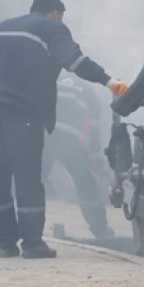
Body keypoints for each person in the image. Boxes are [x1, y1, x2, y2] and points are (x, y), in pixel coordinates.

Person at [0, 0, 127, 259]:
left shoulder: (0, 27)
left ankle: (6, 243)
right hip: (21, 108)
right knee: (28, 175)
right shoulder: (51, 28)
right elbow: (75, 61)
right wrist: (109, 81)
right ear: (55, 14)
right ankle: (32, 243)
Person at [43, 76, 113, 241]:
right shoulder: (87, 90)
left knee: (34, 183)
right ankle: (101, 231)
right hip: (71, 139)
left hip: (44, 134)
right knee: (85, 183)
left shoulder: (46, 77)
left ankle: (26, 230)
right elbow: (94, 128)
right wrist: (96, 157)